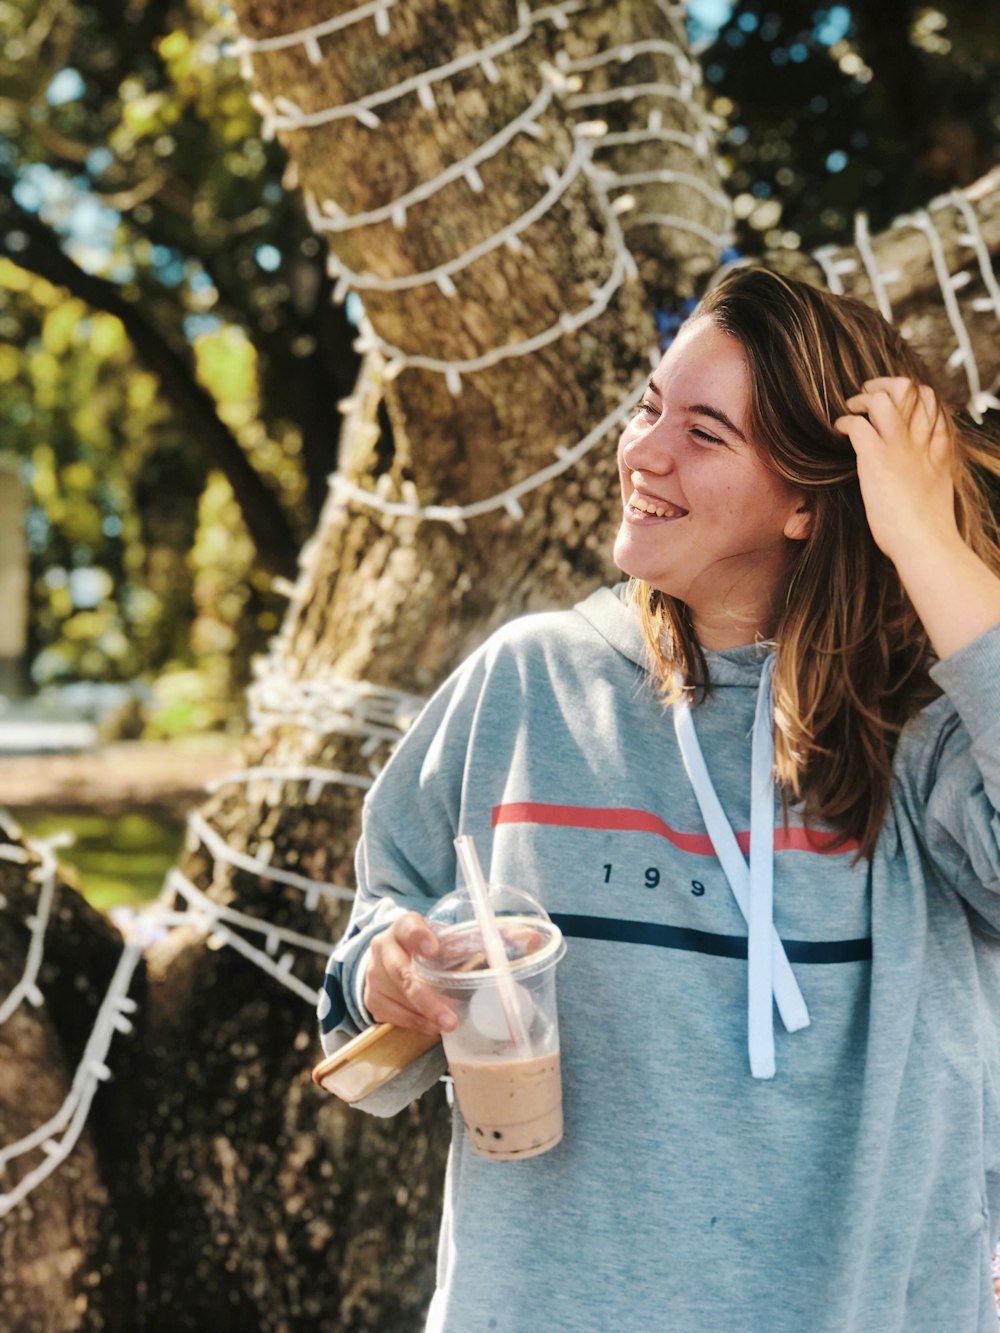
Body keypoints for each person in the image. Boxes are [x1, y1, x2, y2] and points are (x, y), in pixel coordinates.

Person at [317, 266, 1000, 1333]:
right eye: (648, 408)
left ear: (808, 504)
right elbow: (377, 921)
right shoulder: (527, 686)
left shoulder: (921, 734)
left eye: (705, 432)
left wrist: (923, 537)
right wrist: (389, 970)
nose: (642, 451)